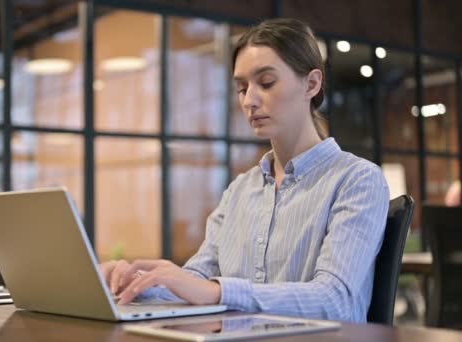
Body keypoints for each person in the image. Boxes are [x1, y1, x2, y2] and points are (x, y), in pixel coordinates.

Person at [100, 18, 389, 323]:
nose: (249, 101)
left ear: (312, 84)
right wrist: (134, 284)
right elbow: (197, 280)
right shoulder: (241, 189)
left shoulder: (357, 180)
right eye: (241, 88)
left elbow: (335, 300)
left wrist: (217, 291)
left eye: (266, 83)